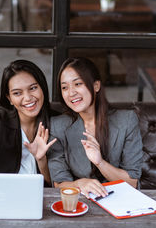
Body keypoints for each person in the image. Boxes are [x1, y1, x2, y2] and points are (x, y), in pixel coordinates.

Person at [48, 57, 143, 197]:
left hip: (121, 200)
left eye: (78, 84)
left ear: (96, 86)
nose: (71, 92)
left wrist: (100, 163)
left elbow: (132, 182)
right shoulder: (58, 126)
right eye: (64, 87)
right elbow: (59, 182)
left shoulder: (127, 121)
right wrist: (79, 184)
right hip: (80, 201)